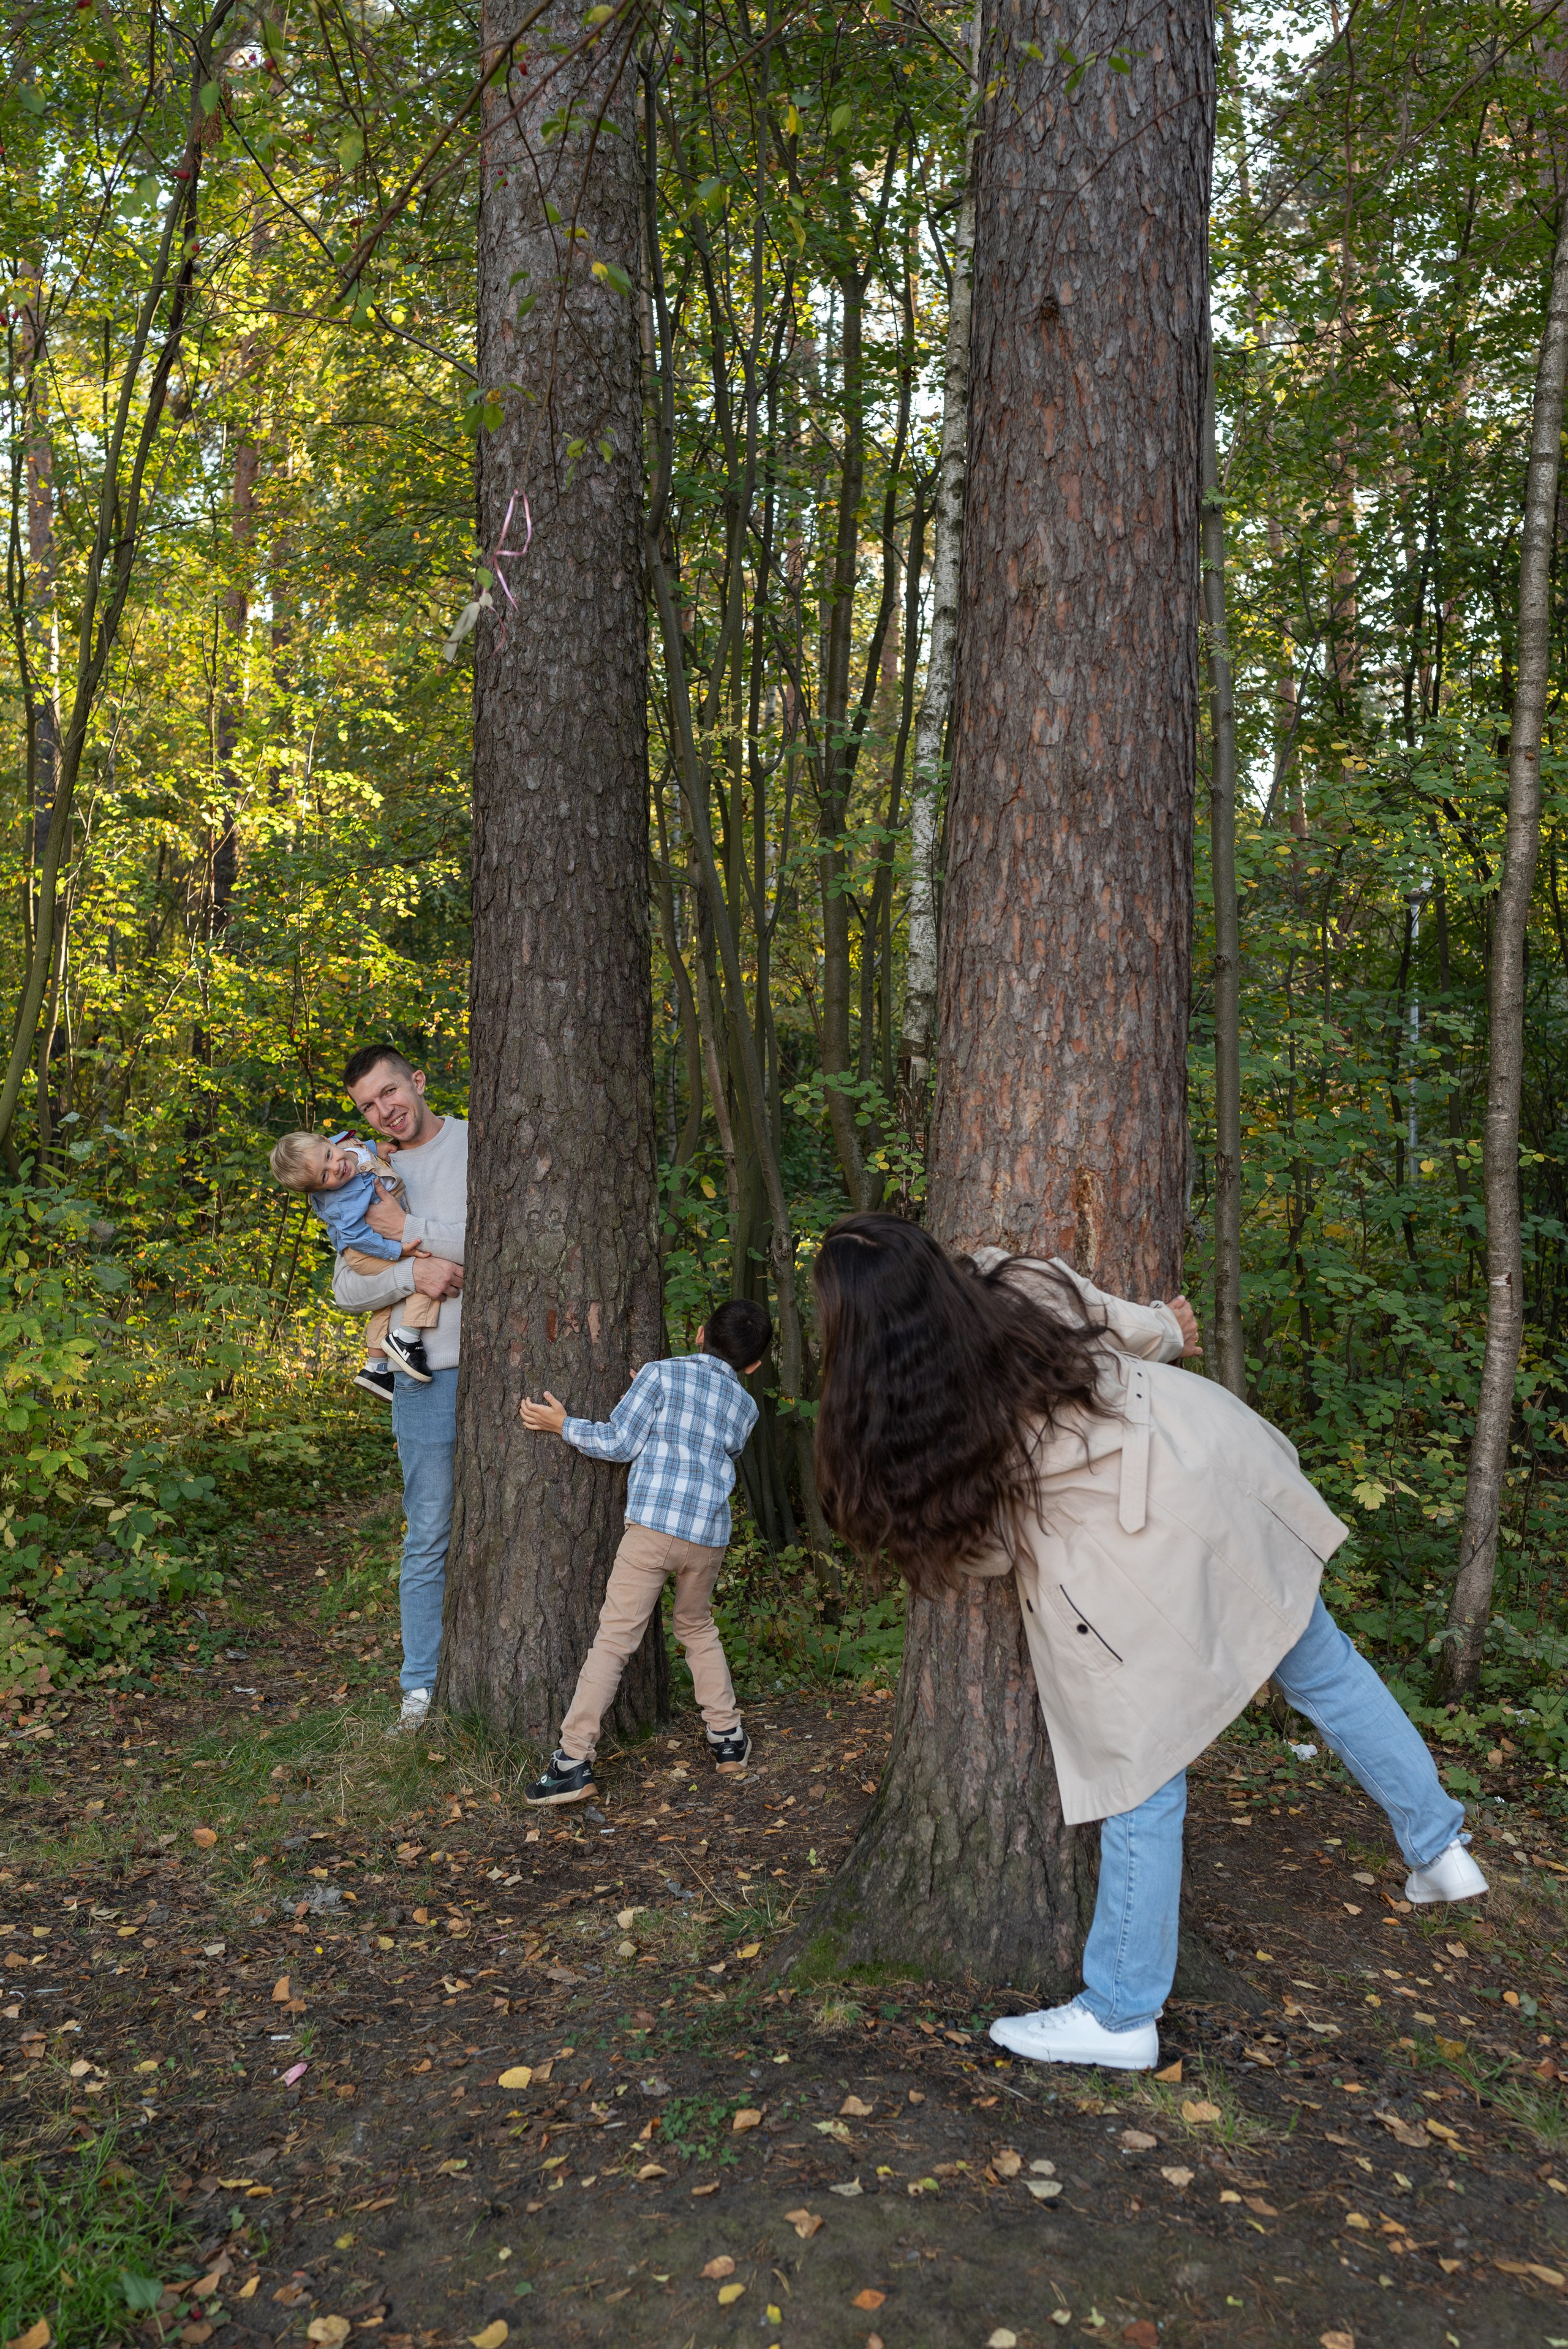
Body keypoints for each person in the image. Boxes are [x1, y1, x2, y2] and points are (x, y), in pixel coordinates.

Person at [810, 1212, 1487, 2074]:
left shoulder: (917, 1417)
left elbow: (986, 1554)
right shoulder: (1016, 1284)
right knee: (1322, 1663)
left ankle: (1122, 2013)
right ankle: (1440, 1848)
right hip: (1209, 1463)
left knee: (1140, 1773)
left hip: (1128, 1552)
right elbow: (1124, 1322)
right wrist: (1165, 1327)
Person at [517, 1299, 771, 1806]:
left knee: (615, 1640)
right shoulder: (747, 1407)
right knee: (696, 1627)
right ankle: (727, 1739)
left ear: (700, 1333)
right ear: (754, 1366)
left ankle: (572, 1762)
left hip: (654, 1528)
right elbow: (712, 1446)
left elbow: (620, 1442)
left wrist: (563, 1425)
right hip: (708, 1535)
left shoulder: (659, 1375)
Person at [331, 1048, 468, 1737]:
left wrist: (409, 1232)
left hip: (510, 1367)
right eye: (368, 1105)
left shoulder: (480, 1144)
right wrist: (415, 1275)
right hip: (424, 1376)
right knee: (430, 1532)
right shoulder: (364, 1171)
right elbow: (346, 1286)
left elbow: (516, 1238)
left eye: (390, 1092)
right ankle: (420, 1692)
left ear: (417, 1080)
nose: (384, 1110)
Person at [268, 1129, 444, 1401]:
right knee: (427, 1271)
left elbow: (357, 1147)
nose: (336, 1168)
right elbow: (357, 1238)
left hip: (377, 1242)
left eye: (329, 1156)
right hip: (367, 1250)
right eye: (324, 1177)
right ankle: (407, 1338)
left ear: (327, 1141)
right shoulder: (343, 1201)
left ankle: (376, 1367)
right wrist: (398, 1251)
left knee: (388, 1299)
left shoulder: (344, 1146)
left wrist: (376, 1147)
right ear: (318, 1189)